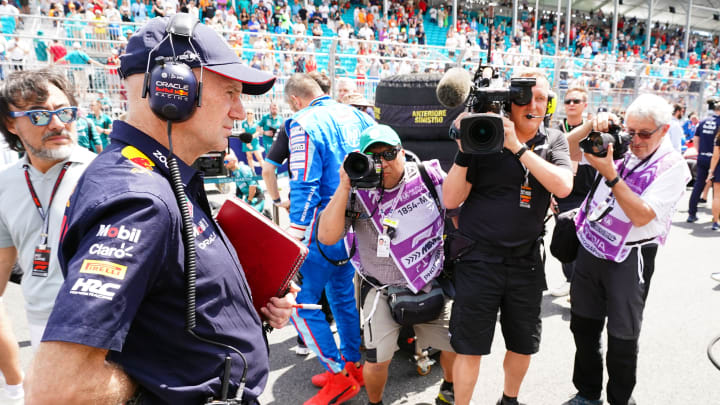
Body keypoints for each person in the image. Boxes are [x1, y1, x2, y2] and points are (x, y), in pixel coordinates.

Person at [24, 15, 295, 404]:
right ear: (174, 90)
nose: (241, 113)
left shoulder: (163, 175)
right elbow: (58, 390)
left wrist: (242, 304)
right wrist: (155, 386)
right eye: (230, 93)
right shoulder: (140, 200)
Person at [442, 69, 573, 405]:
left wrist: (516, 146)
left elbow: (563, 185)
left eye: (542, 98)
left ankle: (509, 400)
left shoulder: (553, 139)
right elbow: (451, 199)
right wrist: (465, 149)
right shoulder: (484, 136)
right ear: (509, 103)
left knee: (523, 342)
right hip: (478, 260)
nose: (534, 105)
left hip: (526, 262)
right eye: (525, 97)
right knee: (469, 347)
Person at [317, 124, 457, 405]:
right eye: (374, 157)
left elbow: (460, 211)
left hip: (430, 278)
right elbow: (327, 235)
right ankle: (376, 402)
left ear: (402, 152)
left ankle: (449, 388)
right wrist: (345, 185)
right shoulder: (358, 192)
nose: (383, 162)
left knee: (453, 347)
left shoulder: (429, 176)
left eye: (390, 153)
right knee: (378, 360)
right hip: (379, 287)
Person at [565, 94, 690, 405]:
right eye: (630, 131)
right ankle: (587, 392)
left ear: (664, 130)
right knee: (583, 325)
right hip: (591, 245)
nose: (634, 140)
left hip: (630, 255)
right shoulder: (619, 145)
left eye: (643, 134)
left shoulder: (673, 166)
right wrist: (591, 127)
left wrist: (611, 173)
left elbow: (642, 215)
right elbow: (566, 149)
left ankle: (621, 399)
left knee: (622, 336)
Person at [284, 73, 374, 405]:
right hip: (355, 225)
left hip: (322, 228)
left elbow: (304, 183)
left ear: (295, 99)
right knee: (342, 297)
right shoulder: (359, 115)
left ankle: (339, 375)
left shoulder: (302, 122)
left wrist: (296, 235)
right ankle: (353, 366)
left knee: (299, 303)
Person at [0, 68, 96, 353]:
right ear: (11, 123)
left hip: (100, 324)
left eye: (64, 112)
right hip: (41, 323)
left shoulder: (104, 174)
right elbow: (3, 264)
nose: (56, 124)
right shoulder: (4, 184)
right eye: (38, 115)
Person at [550, 86, 594, 297]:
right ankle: (570, 281)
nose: (571, 105)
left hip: (588, 193)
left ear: (585, 105)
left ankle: (581, 286)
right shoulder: (557, 130)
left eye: (576, 101)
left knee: (586, 242)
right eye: (568, 101)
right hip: (564, 194)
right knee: (565, 238)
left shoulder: (593, 130)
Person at [687, 101, 720, 223]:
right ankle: (716, 217)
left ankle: (691, 213)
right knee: (717, 190)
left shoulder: (704, 121)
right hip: (716, 159)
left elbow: (696, 138)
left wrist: (699, 151)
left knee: (698, 185)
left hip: (702, 157)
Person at [224, 149, 267, 215]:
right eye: (224, 162)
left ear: (234, 161)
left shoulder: (244, 169)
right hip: (248, 200)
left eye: (226, 162)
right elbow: (239, 193)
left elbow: (253, 186)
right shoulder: (236, 173)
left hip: (257, 198)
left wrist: (249, 202)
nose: (224, 164)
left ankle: (265, 214)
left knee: (248, 215)